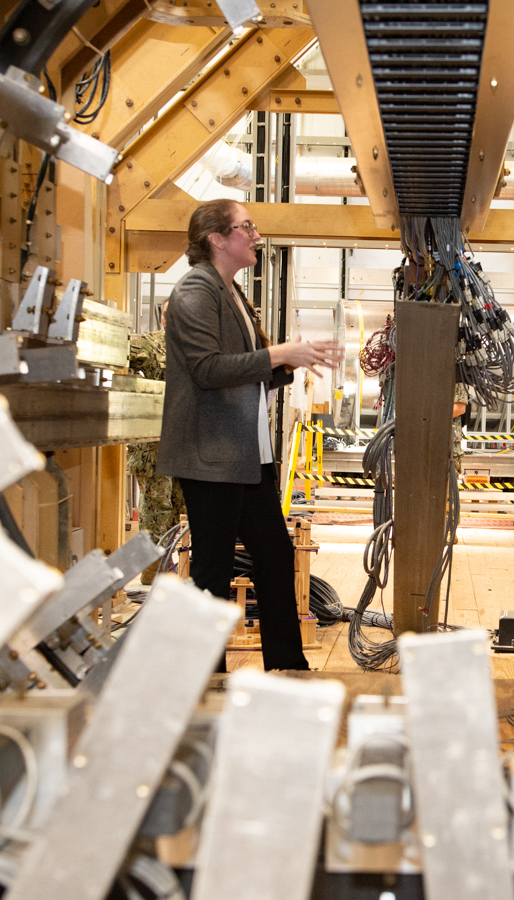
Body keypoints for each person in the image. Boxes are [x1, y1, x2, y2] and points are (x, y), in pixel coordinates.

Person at [157, 199, 343, 670]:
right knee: (212, 572)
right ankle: (206, 677)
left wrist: (287, 362)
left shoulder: (231, 291)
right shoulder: (196, 291)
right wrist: (281, 352)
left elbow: (243, 368)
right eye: (247, 227)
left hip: (245, 455)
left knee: (275, 558)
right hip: (212, 456)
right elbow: (207, 369)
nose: (256, 235)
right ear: (217, 239)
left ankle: (286, 666)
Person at [126, 327, 187, 583]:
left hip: (183, 442)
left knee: (177, 506)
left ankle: (166, 559)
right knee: (156, 506)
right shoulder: (149, 344)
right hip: (153, 445)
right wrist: (136, 392)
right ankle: (151, 566)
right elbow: (117, 354)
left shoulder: (194, 344)